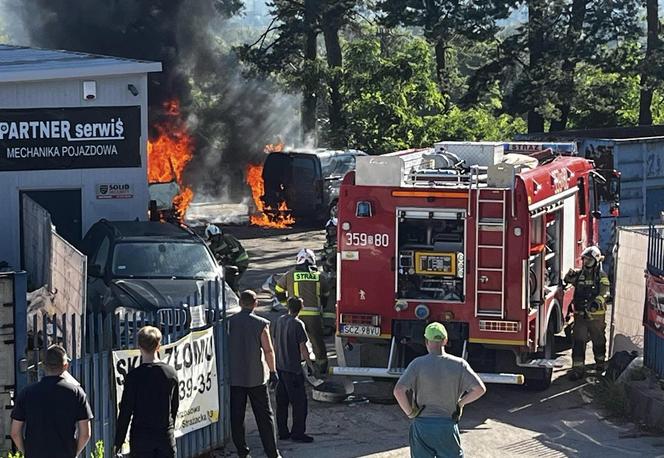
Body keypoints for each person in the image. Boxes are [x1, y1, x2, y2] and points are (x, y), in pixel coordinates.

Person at [393, 322, 486, 458]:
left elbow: (398, 391)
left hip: (422, 426)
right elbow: (479, 389)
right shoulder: (459, 364)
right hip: (447, 426)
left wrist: (411, 413)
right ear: (445, 341)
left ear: (426, 341)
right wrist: (460, 403)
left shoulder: (417, 364)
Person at [10, 344, 93, 458]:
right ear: (65, 366)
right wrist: (74, 453)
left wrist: (27, 453)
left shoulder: (27, 393)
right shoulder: (77, 393)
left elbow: (15, 433)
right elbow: (85, 433)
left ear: (43, 365)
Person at [229, 290, 281, 458]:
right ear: (255, 303)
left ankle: (242, 452)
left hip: (234, 377)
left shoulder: (229, 323)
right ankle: (272, 453)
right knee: (265, 417)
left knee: (237, 417)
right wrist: (273, 371)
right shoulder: (261, 323)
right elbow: (268, 350)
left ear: (239, 303)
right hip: (256, 377)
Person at [115, 326, 179, 458]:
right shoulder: (170, 373)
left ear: (139, 346)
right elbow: (174, 407)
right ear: (158, 346)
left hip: (141, 437)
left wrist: (118, 441)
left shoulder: (133, 377)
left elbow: (125, 412)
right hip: (164, 435)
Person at [275, 248, 330, 375]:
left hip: (295, 315)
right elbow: (326, 294)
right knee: (317, 342)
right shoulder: (319, 276)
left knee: (294, 342)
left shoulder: (290, 274)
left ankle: (298, 367)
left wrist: (286, 304)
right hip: (314, 316)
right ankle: (321, 368)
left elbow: (278, 289)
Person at [564, 245, 611, 380]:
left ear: (596, 261)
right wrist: (569, 275)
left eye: (589, 261)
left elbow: (605, 292)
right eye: (584, 260)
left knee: (598, 340)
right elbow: (568, 281)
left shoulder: (601, 276)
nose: (586, 263)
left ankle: (600, 364)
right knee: (578, 341)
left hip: (596, 317)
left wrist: (596, 302)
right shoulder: (580, 275)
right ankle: (578, 369)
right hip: (580, 316)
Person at [274, 297, 314, 443]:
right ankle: (298, 433)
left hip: (280, 367)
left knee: (282, 403)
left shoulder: (280, 321)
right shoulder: (298, 324)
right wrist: (310, 365)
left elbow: (275, 343)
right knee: (299, 403)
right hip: (293, 369)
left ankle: (282, 432)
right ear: (301, 308)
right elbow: (303, 348)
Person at [205, 224, 249, 291]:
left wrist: (226, 259)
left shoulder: (228, 238)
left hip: (241, 263)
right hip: (230, 265)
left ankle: (238, 297)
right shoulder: (212, 247)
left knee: (232, 284)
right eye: (213, 238)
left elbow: (236, 252)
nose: (215, 239)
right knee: (225, 283)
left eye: (216, 236)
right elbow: (212, 258)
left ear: (219, 234)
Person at [320, 218, 338, 334]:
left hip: (338, 275)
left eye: (333, 229)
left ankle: (330, 324)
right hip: (328, 275)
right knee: (328, 300)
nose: (331, 231)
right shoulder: (327, 244)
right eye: (329, 229)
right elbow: (323, 258)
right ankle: (328, 324)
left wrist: (331, 261)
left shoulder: (341, 242)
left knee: (332, 299)